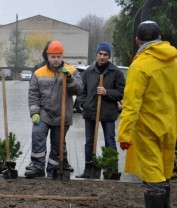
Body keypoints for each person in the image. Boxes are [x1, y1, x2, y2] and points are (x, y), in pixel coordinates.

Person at [119, 20, 177, 208]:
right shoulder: (174, 60)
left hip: (148, 126)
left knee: (152, 168)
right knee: (165, 167)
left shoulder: (140, 65)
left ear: (137, 41)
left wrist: (124, 133)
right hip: (170, 124)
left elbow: (131, 103)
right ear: (160, 37)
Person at [26, 40, 83, 178]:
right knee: (37, 134)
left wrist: (69, 78)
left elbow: (79, 90)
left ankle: (52, 169)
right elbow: (33, 94)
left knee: (57, 144)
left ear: (62, 56)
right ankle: (38, 166)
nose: (56, 59)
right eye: (53, 56)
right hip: (44, 114)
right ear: (48, 56)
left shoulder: (72, 71)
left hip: (62, 114)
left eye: (58, 57)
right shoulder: (39, 73)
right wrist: (34, 112)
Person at [76, 42, 125, 179]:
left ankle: (112, 169)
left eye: (105, 55)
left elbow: (121, 93)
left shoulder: (116, 72)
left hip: (108, 112)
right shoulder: (88, 72)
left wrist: (107, 92)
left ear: (109, 56)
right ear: (96, 54)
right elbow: (81, 91)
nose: (102, 57)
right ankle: (89, 168)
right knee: (89, 141)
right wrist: (83, 103)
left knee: (109, 140)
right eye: (100, 54)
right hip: (90, 111)